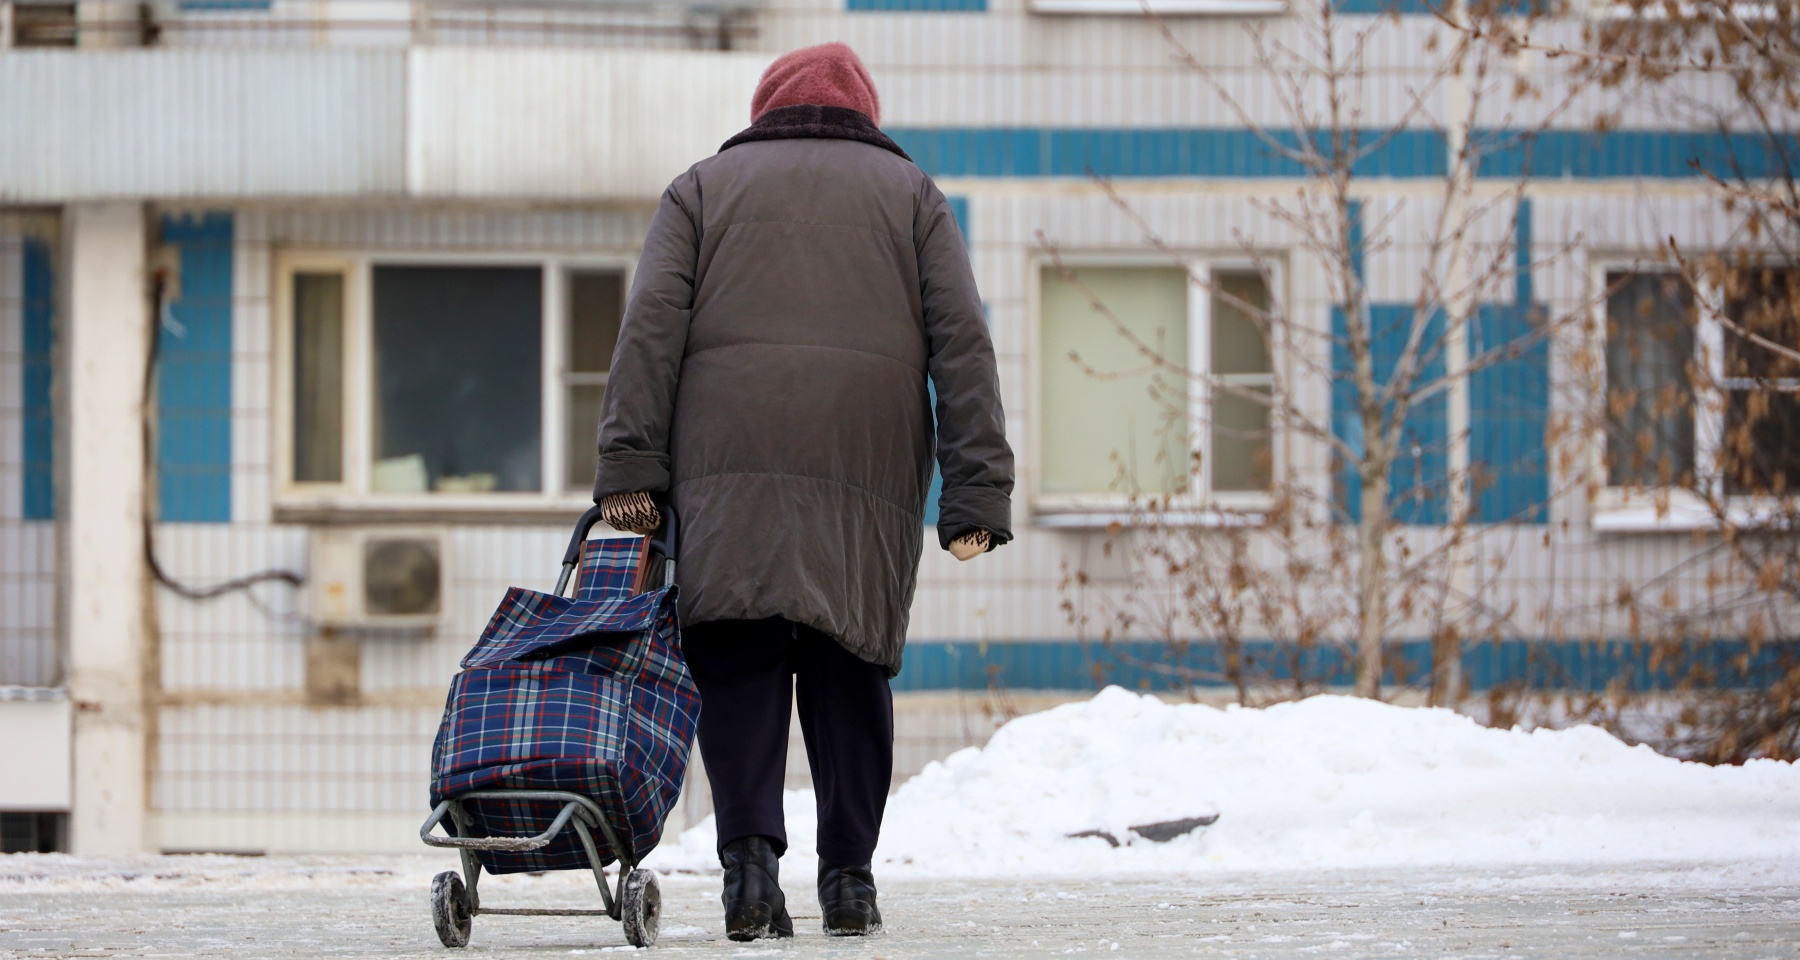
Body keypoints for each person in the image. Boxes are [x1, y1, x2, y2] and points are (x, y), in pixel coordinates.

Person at [591, 42, 1014, 940]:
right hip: (865, 465)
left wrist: (631, 472)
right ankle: (850, 882)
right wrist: (974, 493)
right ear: (864, 111)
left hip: (725, 463)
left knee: (737, 655)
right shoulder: (914, 198)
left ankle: (749, 872)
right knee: (849, 658)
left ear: (765, 109)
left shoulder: (701, 190)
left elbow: (647, 334)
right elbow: (963, 347)